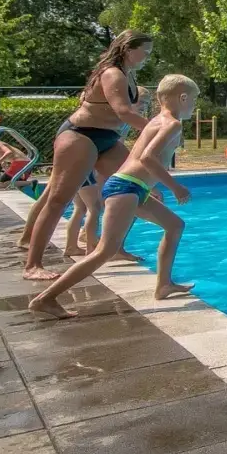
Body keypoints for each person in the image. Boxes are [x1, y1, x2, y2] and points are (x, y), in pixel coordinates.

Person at [28, 74, 197, 319]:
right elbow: (147, 158)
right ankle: (46, 298)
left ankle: (163, 284)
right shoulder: (172, 124)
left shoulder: (156, 121)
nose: (193, 105)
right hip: (126, 188)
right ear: (182, 98)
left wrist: (151, 187)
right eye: (193, 100)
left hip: (132, 187)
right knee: (105, 250)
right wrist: (175, 187)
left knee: (175, 225)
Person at [20, 30, 154, 280]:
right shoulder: (112, 73)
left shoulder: (128, 74)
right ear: (127, 49)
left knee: (137, 187)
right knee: (58, 200)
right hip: (80, 136)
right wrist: (158, 130)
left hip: (108, 139)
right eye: (144, 51)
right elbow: (124, 112)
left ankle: (114, 248)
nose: (147, 56)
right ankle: (32, 265)